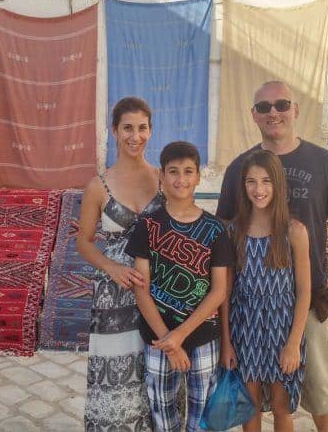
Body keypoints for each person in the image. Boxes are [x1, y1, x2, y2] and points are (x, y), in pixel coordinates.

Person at [217, 81, 328, 432]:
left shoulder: (323, 162)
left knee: (318, 387)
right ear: (254, 115)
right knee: (253, 397)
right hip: (249, 309)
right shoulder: (239, 168)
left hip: (306, 298)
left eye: (282, 105)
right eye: (264, 107)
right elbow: (222, 235)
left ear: (295, 110)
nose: (274, 113)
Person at [124, 141, 235, 432]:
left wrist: (180, 335)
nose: (180, 179)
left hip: (203, 335)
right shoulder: (148, 226)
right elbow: (141, 289)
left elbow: (219, 291)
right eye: (173, 171)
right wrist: (168, 341)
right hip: (157, 337)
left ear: (198, 177)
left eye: (188, 172)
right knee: (162, 411)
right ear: (161, 176)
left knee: (202, 415)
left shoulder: (215, 229)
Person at [77, 97, 164, 431]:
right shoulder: (98, 186)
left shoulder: (164, 178)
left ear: (150, 131)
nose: (135, 136)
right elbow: (84, 242)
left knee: (156, 372)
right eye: (127, 128)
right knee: (116, 377)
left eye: (142, 128)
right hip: (114, 296)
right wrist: (111, 268)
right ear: (114, 131)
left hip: (158, 291)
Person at [219, 150, 311, 432]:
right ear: (243, 185)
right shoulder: (234, 231)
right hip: (244, 327)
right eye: (251, 181)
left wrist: (293, 343)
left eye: (266, 181)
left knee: (283, 406)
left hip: (282, 328)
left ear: (278, 184)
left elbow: (304, 291)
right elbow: (225, 293)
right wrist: (226, 341)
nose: (258, 189)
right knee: (250, 405)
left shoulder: (294, 231)